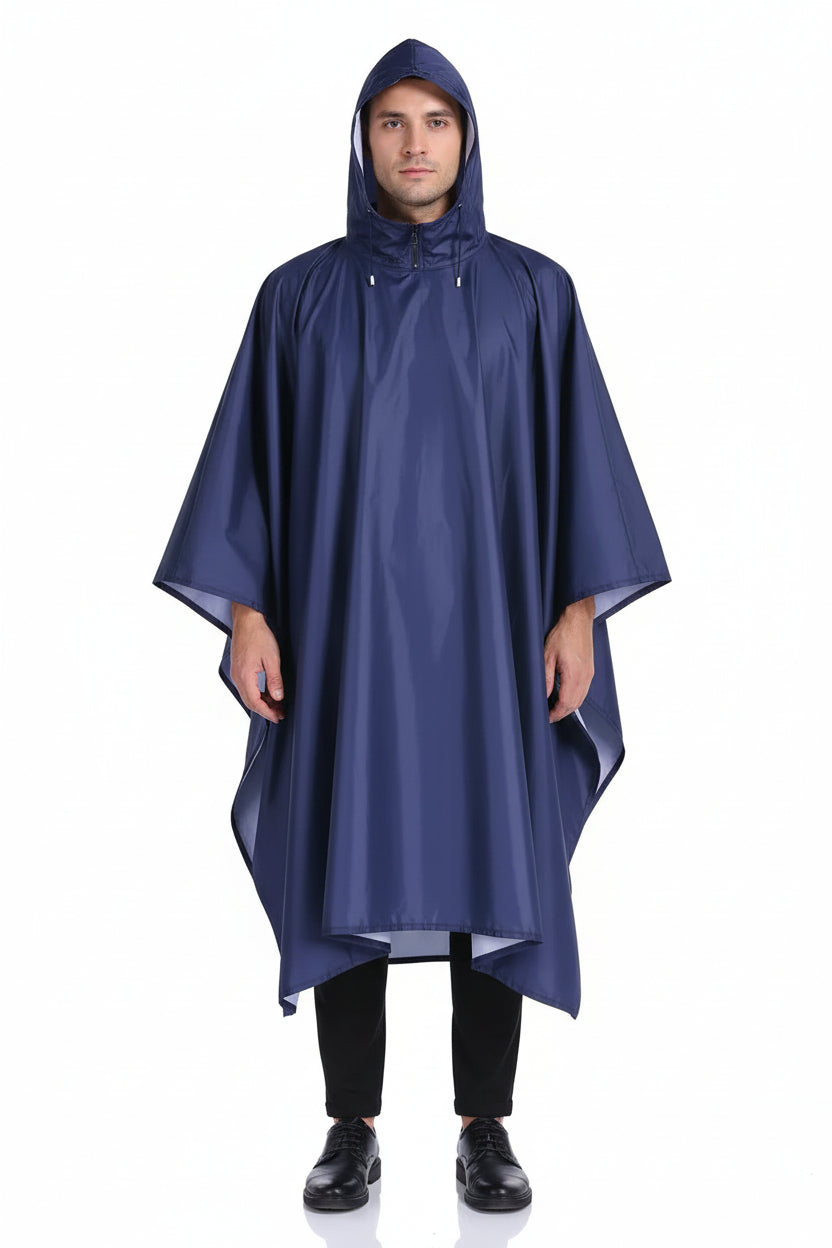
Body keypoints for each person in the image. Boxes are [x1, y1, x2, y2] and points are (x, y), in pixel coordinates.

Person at [152, 38, 671, 1214]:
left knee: (491, 855)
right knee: (348, 854)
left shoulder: (534, 293)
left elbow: (577, 463)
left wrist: (576, 614)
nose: (415, 144)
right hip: (343, 632)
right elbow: (250, 467)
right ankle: (351, 1126)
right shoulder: (299, 296)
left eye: (436, 122)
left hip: (492, 632)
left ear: (467, 139)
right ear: (363, 140)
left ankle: (486, 1126)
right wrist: (248, 613)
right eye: (392, 122)